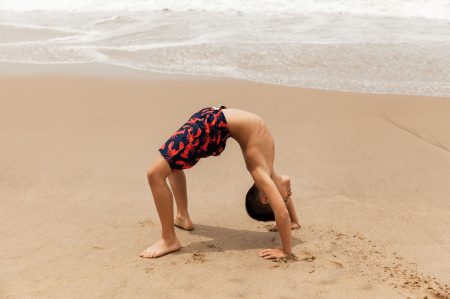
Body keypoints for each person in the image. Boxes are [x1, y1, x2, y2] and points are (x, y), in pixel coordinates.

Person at [139, 106, 300, 259]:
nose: (288, 197)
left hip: (213, 123)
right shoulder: (274, 176)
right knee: (173, 162)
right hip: (214, 119)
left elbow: (280, 212)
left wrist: (286, 251)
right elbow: (282, 203)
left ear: (265, 198)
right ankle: (182, 217)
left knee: (155, 174)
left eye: (285, 199)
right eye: (287, 199)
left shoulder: (260, 171)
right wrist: (294, 221)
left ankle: (169, 240)